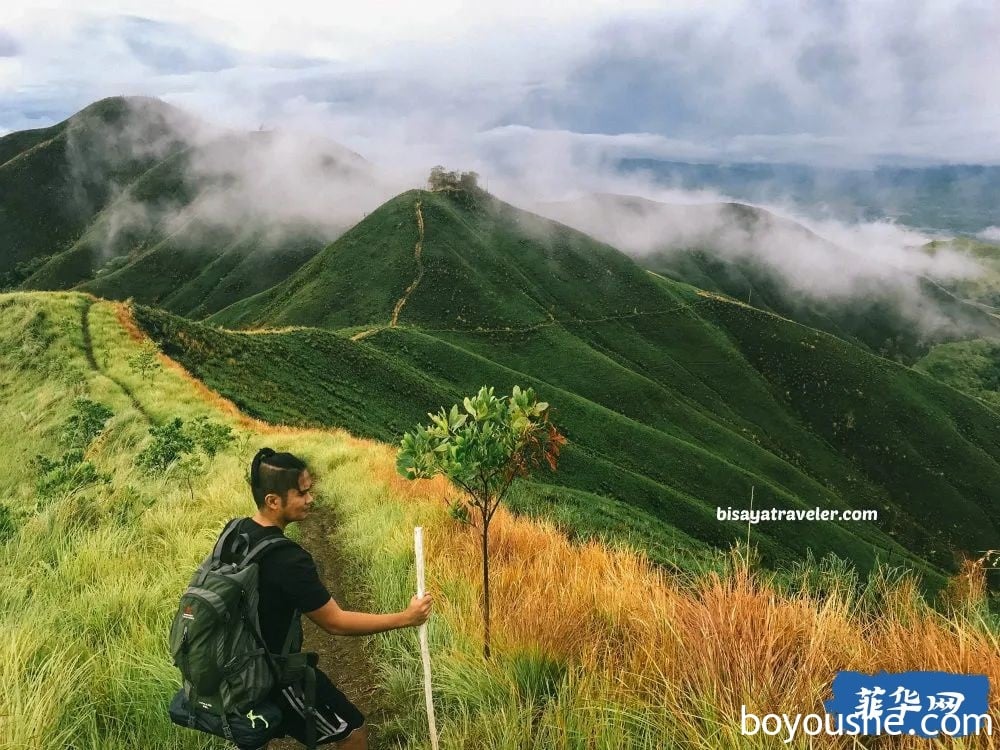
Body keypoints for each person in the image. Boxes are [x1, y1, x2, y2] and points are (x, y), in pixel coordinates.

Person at [221, 447, 433, 750]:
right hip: (270, 674)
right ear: (272, 501)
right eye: (302, 493)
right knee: (353, 731)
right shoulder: (289, 560)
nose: (311, 499)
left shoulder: (235, 530)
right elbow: (337, 623)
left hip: (231, 662)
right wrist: (407, 617)